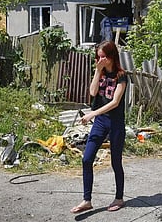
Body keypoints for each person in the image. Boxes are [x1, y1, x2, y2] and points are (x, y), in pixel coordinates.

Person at [70, 40, 127, 214]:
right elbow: (93, 92)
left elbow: (115, 102)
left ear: (111, 56)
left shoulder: (121, 75)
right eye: (98, 57)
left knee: (115, 162)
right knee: (87, 159)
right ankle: (87, 200)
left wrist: (91, 114)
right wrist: (97, 70)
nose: (100, 59)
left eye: (103, 57)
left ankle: (119, 198)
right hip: (101, 122)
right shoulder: (100, 73)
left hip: (115, 123)